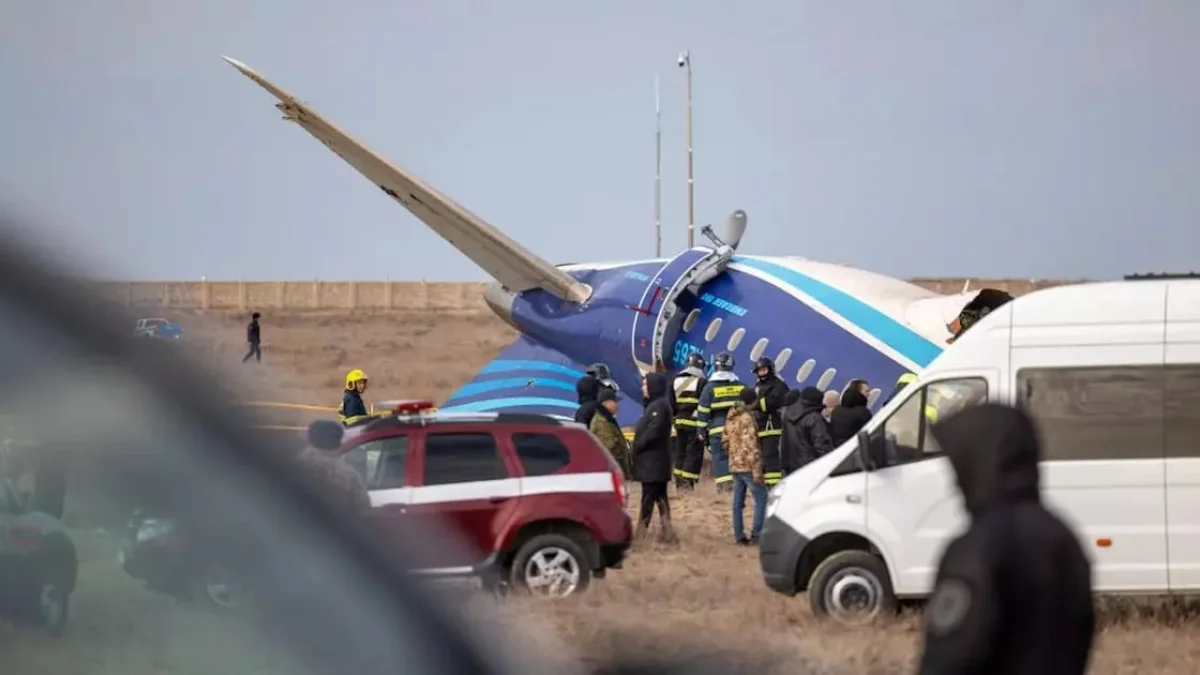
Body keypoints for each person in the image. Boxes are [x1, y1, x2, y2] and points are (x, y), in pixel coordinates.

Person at [918, 404, 1094, 675]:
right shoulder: (1064, 537)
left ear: (980, 463)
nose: (955, 483)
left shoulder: (977, 548)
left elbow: (950, 656)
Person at [630, 372, 677, 542]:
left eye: (645, 384)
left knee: (648, 499)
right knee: (659, 498)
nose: (643, 388)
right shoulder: (653, 406)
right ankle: (668, 533)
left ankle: (641, 534)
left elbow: (654, 431)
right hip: (651, 464)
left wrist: (637, 445)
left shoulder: (659, 407)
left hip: (654, 464)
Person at [694, 352, 744, 493]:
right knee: (738, 458)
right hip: (737, 429)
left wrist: (701, 432)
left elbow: (703, 411)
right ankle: (739, 487)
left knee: (720, 458)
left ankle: (724, 487)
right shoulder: (741, 386)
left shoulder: (710, 388)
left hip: (718, 430)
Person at [724, 387, 766, 545]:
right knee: (762, 498)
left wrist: (733, 454)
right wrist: (756, 470)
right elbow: (752, 446)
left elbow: (725, 439)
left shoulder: (731, 415)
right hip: (748, 466)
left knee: (737, 502)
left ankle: (739, 536)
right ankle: (757, 534)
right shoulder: (748, 418)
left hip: (734, 464)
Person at [670, 352, 708, 490]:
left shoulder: (675, 380)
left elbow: (670, 403)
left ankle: (679, 482)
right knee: (693, 453)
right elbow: (704, 403)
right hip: (694, 423)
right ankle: (687, 482)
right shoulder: (702, 382)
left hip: (679, 423)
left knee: (680, 452)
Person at [750, 356, 789, 487]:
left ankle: (774, 487)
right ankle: (766, 485)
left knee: (770, 457)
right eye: (759, 371)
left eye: (764, 370)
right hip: (760, 426)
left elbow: (772, 402)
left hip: (772, 427)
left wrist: (754, 404)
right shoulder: (758, 385)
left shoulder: (778, 385)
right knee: (762, 459)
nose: (762, 373)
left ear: (770, 369)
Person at [780, 386, 833, 474]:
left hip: (792, 467)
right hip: (812, 468)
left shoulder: (787, 415)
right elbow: (822, 445)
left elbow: (784, 443)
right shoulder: (815, 417)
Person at [589, 388, 631, 478]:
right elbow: (608, 450)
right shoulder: (602, 422)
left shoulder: (608, 420)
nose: (617, 405)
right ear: (607, 403)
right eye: (615, 402)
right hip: (610, 475)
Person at [829, 383, 872, 448]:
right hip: (855, 449)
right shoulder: (863, 412)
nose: (869, 394)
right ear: (858, 393)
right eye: (867, 391)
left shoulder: (836, 410)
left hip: (838, 451)